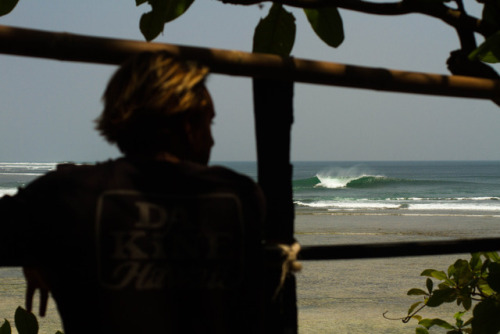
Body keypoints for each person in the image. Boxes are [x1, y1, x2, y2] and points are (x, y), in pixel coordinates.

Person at [0, 52, 265, 333]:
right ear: (187, 122)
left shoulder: (66, 195)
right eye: (208, 123)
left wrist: (34, 246)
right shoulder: (240, 195)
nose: (211, 139)